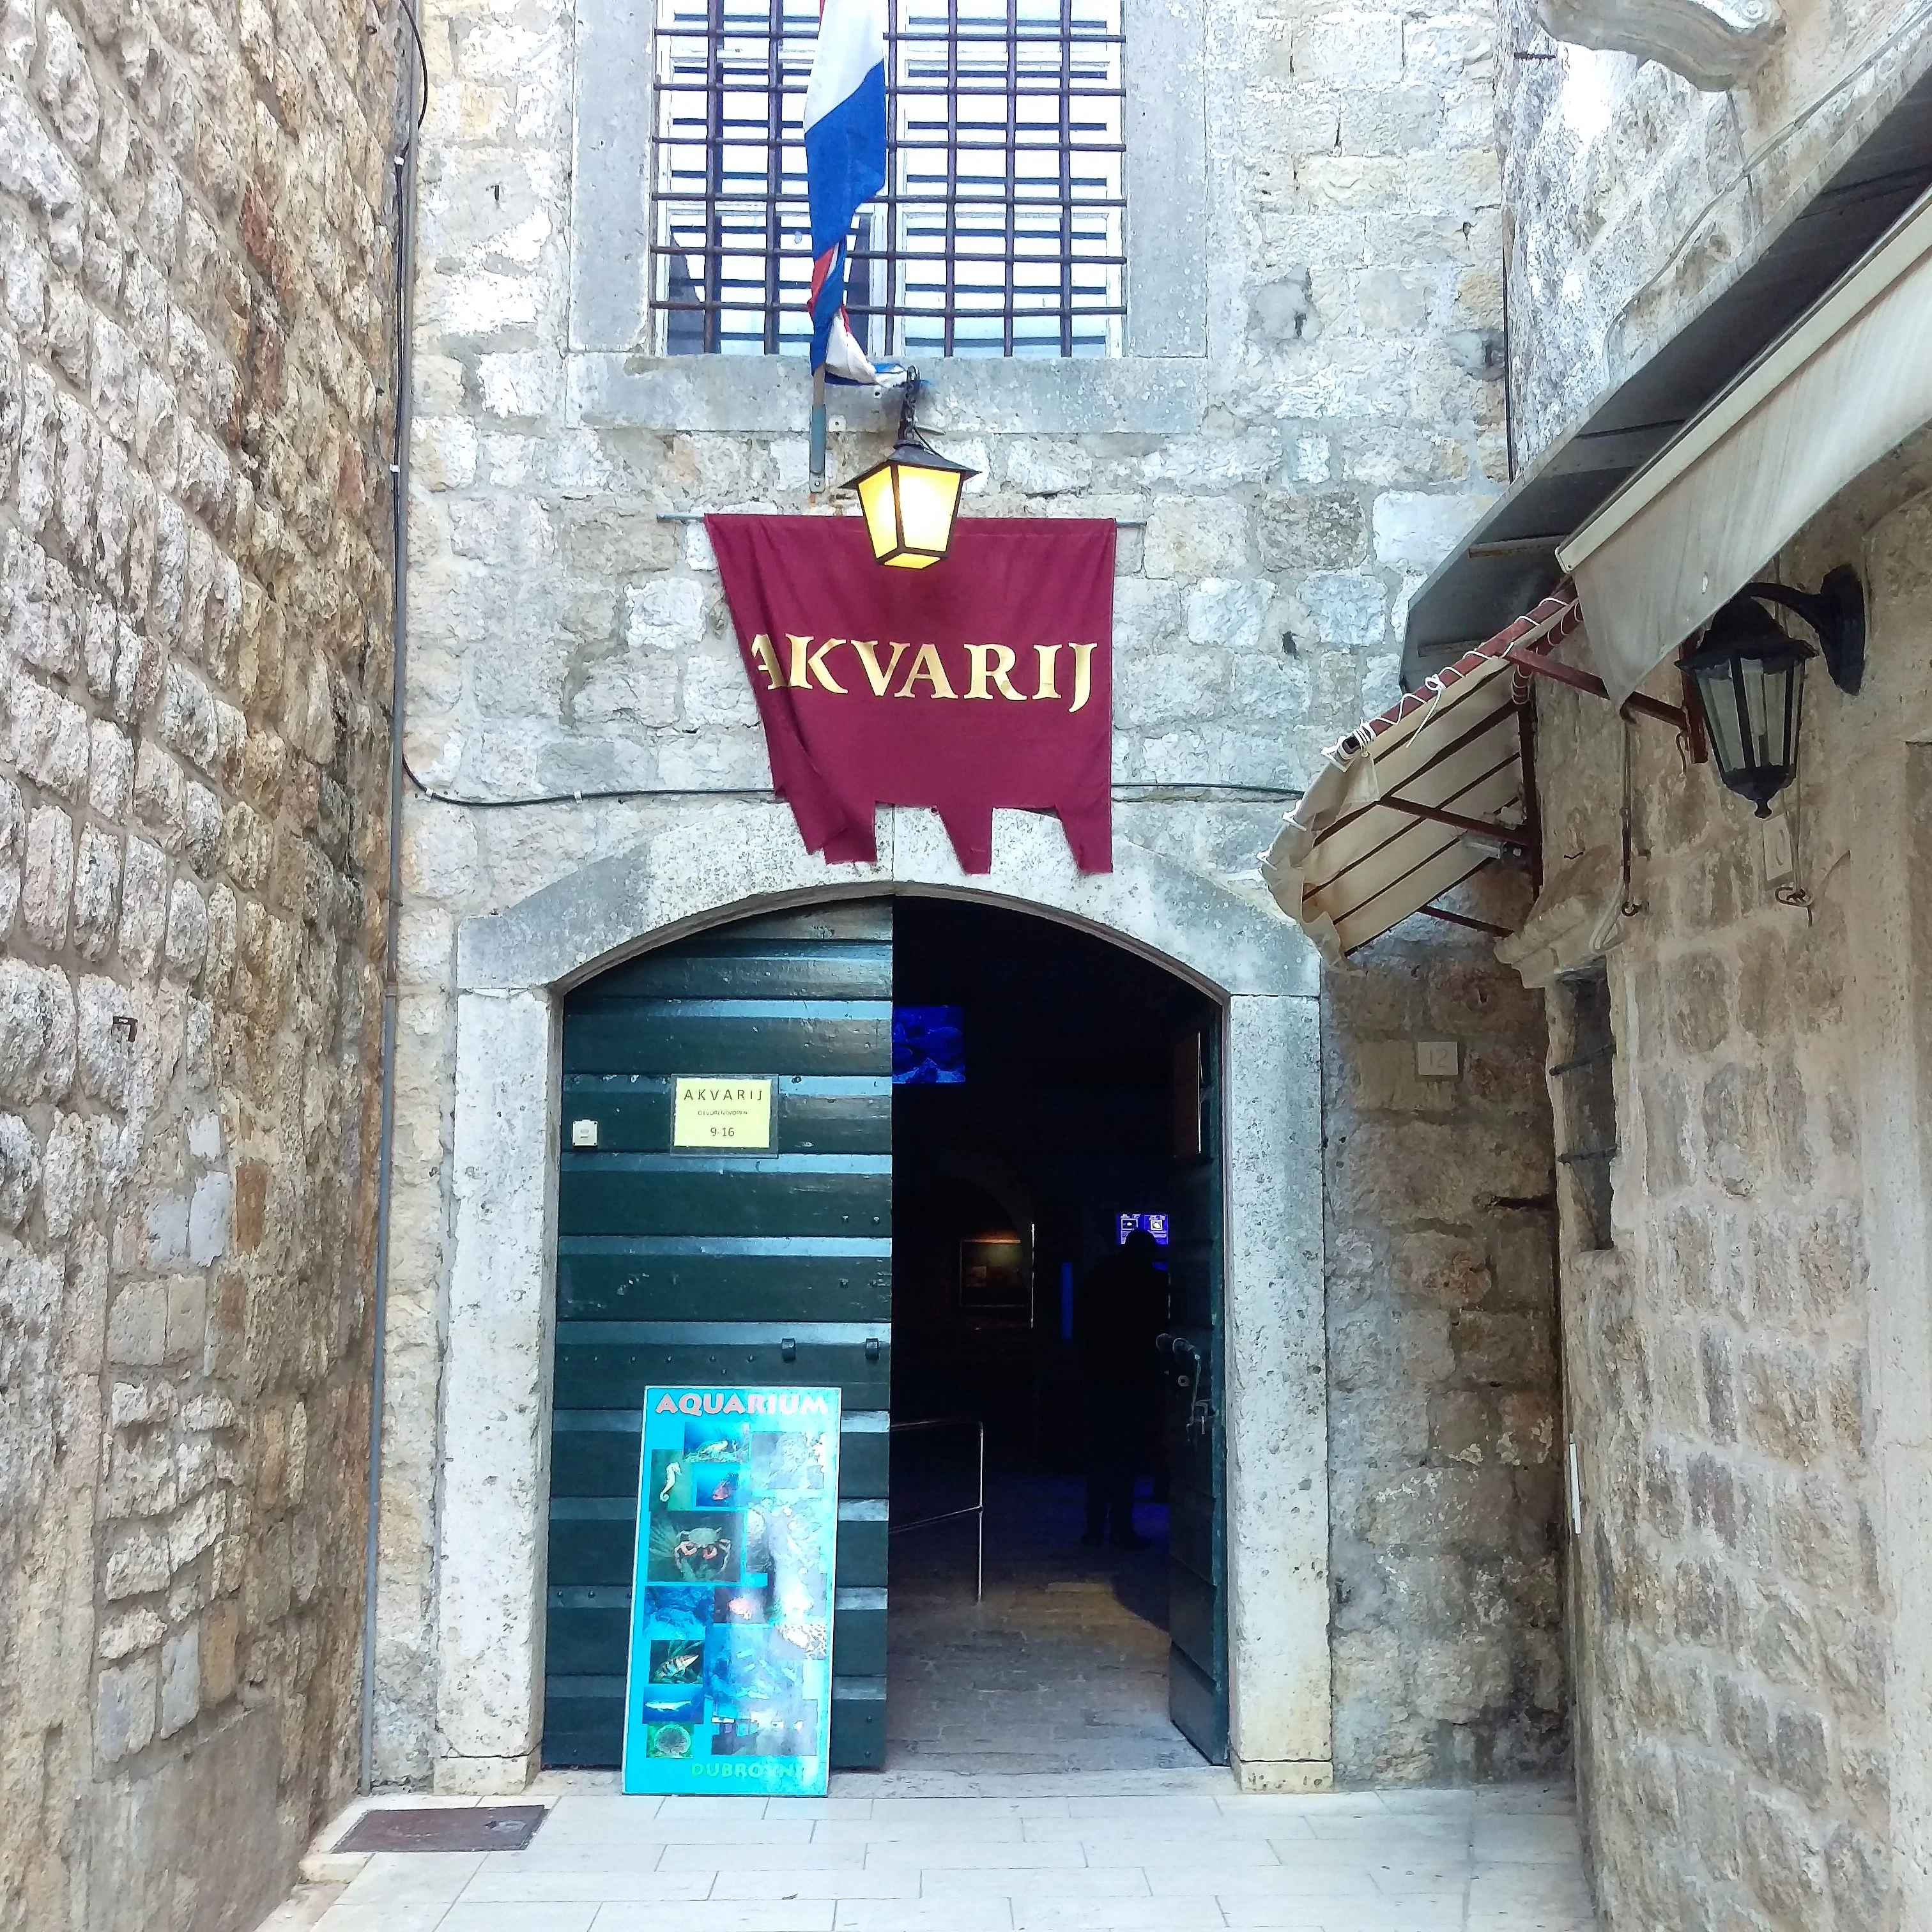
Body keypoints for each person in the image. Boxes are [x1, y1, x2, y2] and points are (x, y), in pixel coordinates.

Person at [1073, 1228, 1167, 1548]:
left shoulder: (1099, 1276)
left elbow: (1082, 1327)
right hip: (1135, 1381)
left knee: (1100, 1459)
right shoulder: (1152, 1282)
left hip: (1100, 1381)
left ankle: (1093, 1529)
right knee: (1126, 1459)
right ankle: (1121, 1528)